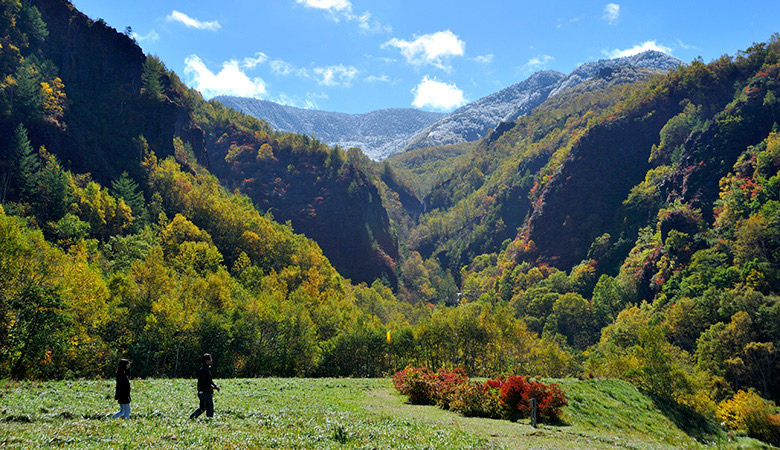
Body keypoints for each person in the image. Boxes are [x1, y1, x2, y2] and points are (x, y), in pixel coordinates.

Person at [189, 353, 220, 419]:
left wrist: (215, 386)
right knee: (209, 409)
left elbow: (209, 381)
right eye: (210, 359)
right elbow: (204, 382)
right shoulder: (204, 370)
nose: (211, 361)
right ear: (207, 361)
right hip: (205, 393)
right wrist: (210, 387)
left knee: (202, 408)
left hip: (205, 392)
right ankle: (209, 421)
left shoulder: (206, 369)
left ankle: (192, 418)